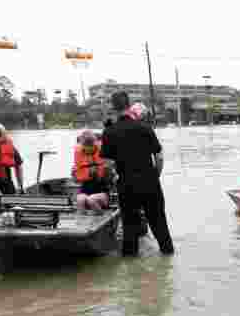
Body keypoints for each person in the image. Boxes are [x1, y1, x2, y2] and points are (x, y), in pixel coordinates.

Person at [101, 93, 175, 256]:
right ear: (129, 105)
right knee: (159, 224)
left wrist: (113, 180)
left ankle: (131, 267)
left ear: (113, 108)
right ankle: (168, 254)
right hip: (150, 182)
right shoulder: (144, 128)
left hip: (126, 184)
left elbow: (107, 166)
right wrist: (155, 176)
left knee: (130, 228)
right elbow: (159, 156)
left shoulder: (109, 132)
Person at [72, 130, 112, 211]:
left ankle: (101, 218)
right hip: (86, 190)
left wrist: (105, 171)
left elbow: (110, 180)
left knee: (91, 199)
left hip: (102, 193)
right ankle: (83, 221)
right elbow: (76, 180)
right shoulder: (79, 157)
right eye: (85, 145)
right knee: (80, 200)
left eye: (90, 144)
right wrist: (74, 174)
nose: (88, 147)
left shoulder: (104, 157)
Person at [0, 122, 24, 194]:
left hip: (5, 182)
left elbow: (18, 166)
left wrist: (20, 186)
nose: (5, 135)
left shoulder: (9, 146)